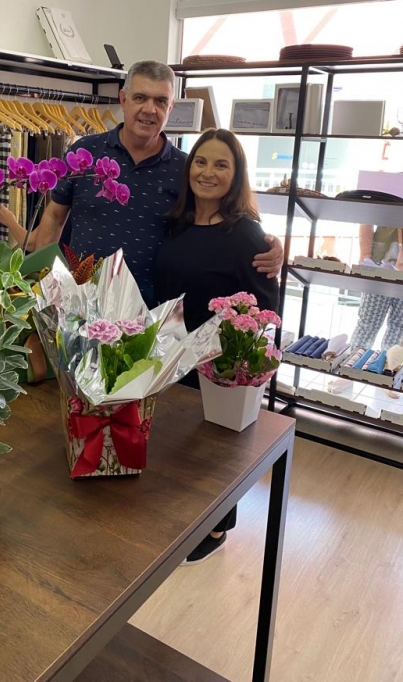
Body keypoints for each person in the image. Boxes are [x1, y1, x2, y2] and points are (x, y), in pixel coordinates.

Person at [34, 60, 283, 305]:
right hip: (77, 302)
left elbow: (216, 218)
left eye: (160, 101)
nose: (150, 109)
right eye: (140, 98)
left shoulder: (185, 169)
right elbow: (54, 216)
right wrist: (41, 284)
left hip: (150, 315)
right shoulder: (84, 153)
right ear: (123, 99)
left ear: (171, 107)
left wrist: (267, 244)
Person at [154, 128, 279, 565]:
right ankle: (185, 518)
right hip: (173, 353)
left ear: (236, 174)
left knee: (216, 451)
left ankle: (217, 527)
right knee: (182, 446)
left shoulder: (246, 236)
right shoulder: (177, 224)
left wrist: (237, 367)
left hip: (218, 363)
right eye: (201, 162)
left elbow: (264, 309)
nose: (208, 172)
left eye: (221, 164)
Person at [329, 224, 403, 396]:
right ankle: (351, 369)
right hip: (379, 261)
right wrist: (365, 256)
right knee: (368, 322)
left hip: (388, 258)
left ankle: (388, 372)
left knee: (398, 326)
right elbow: (367, 219)